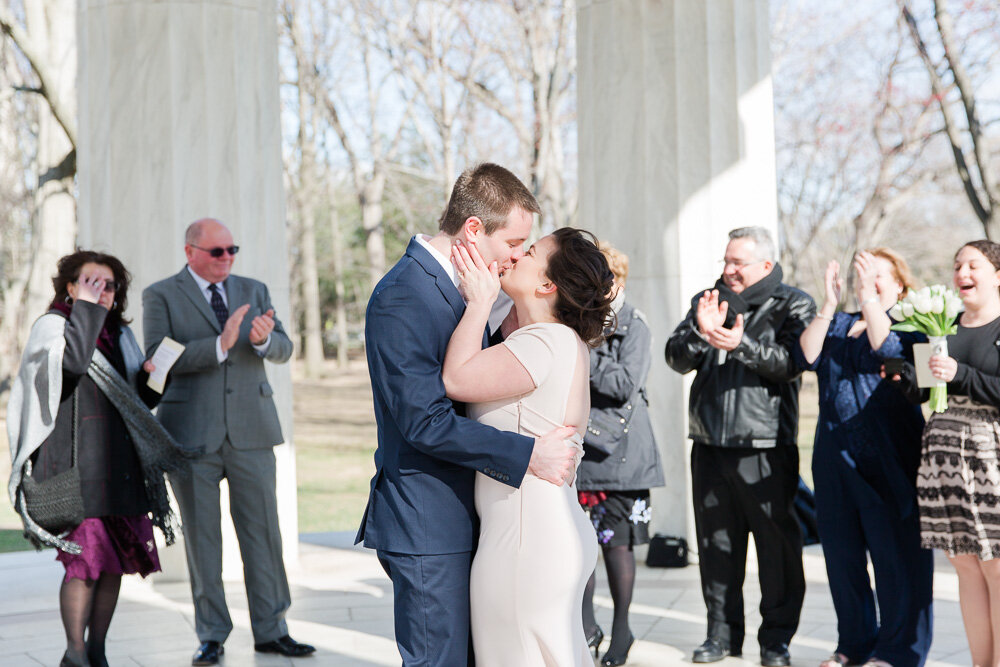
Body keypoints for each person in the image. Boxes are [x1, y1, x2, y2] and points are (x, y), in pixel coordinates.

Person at [358, 163, 580, 667]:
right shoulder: (402, 296)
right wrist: (529, 455)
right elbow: (423, 422)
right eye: (514, 243)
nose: (520, 255)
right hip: (428, 524)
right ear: (474, 229)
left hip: (479, 522)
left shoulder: (474, 291)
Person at [7, 251, 196, 667]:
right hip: (75, 469)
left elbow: (142, 401)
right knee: (84, 564)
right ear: (70, 289)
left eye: (109, 285)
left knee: (113, 566)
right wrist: (88, 312)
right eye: (91, 283)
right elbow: (72, 365)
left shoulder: (119, 336)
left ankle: (98, 652)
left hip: (120, 469)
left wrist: (155, 372)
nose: (102, 291)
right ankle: (73, 655)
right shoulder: (52, 328)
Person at [143, 219, 313, 666]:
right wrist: (217, 345)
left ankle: (273, 630)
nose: (227, 258)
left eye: (231, 249)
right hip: (189, 435)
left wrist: (261, 342)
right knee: (203, 540)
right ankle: (212, 635)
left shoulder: (253, 288)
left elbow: (284, 348)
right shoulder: (160, 294)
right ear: (190, 252)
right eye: (217, 251)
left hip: (252, 432)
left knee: (264, 535)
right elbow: (155, 356)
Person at [442, 227, 615, 666]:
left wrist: (479, 304)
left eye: (530, 252)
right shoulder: (560, 341)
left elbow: (456, 379)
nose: (515, 256)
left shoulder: (544, 341)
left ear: (546, 284)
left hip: (525, 541)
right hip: (545, 530)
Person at [664, 226, 815, 667]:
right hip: (709, 445)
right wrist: (699, 330)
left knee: (777, 553)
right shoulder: (708, 300)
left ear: (765, 266)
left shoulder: (794, 303)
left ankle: (776, 641)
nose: (727, 270)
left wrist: (740, 344)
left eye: (737, 263)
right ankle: (721, 636)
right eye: (725, 261)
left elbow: (791, 364)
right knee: (716, 549)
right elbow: (676, 357)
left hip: (766, 447)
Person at [796, 249, 932, 667]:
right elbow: (807, 356)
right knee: (842, 559)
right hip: (834, 456)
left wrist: (871, 298)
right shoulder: (838, 323)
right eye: (863, 275)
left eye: (877, 276)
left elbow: (887, 348)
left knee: (896, 560)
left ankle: (896, 651)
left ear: (900, 286)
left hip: (890, 458)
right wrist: (830, 303)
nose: (866, 283)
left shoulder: (922, 325)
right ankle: (853, 644)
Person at [892, 240, 1000, 667]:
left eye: (973, 265)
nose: (962, 273)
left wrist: (963, 374)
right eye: (957, 265)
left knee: (996, 566)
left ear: (997, 275)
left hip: (991, 458)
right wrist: (907, 378)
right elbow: (926, 389)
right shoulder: (942, 324)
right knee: (965, 565)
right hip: (942, 457)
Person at [576, 242, 665, 667]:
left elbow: (625, 383)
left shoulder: (635, 324)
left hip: (623, 455)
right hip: (582, 452)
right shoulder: (577, 322)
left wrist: (583, 351)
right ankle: (586, 626)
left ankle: (623, 629)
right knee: (580, 545)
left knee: (617, 547)